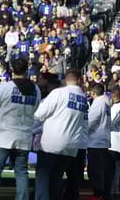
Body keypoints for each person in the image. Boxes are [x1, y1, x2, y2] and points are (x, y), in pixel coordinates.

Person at [0, 58, 41, 200]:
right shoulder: (36, 89)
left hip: (3, 136)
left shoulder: (5, 88)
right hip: (24, 136)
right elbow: (37, 111)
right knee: (21, 172)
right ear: (26, 70)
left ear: (11, 69)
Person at [33, 68, 88, 200]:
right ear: (80, 80)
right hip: (71, 145)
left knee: (43, 178)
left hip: (51, 143)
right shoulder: (83, 98)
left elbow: (39, 114)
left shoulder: (59, 93)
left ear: (65, 79)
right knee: (57, 178)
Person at [86, 83, 112, 200]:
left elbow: (90, 121)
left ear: (93, 93)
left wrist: (82, 131)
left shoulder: (98, 103)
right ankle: (101, 192)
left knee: (95, 169)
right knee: (100, 169)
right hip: (102, 140)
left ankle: (98, 193)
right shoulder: (106, 103)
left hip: (96, 141)